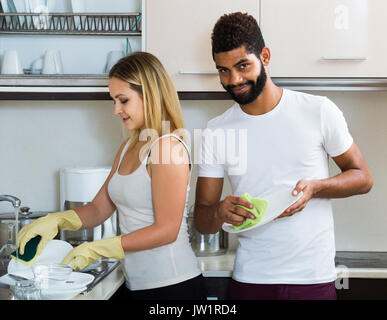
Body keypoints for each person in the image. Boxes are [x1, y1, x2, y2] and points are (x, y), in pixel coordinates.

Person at [194, 12, 373, 300]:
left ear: (264, 56)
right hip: (250, 279)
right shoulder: (216, 131)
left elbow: (363, 178)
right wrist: (218, 212)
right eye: (223, 70)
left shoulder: (317, 111)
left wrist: (316, 188)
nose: (233, 79)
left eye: (242, 66)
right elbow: (202, 219)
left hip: (312, 278)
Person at [17, 51, 206, 300]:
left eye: (123, 100)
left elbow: (167, 230)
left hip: (173, 287)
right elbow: (98, 209)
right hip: (136, 284)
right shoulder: (129, 147)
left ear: (149, 95)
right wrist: (55, 220)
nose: (116, 109)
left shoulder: (167, 147)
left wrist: (99, 248)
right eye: (113, 101)